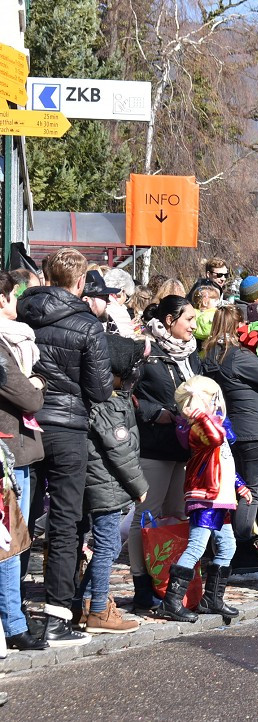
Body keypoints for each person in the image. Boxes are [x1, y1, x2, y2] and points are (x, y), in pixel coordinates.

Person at [17, 248, 113, 646]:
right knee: (66, 523)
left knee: (19, 519)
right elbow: (100, 388)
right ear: (79, 282)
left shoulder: (21, 312)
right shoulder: (86, 324)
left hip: (26, 423)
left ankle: (13, 610)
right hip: (69, 428)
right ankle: (57, 615)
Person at [201, 306, 258, 571]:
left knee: (232, 490)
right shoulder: (237, 355)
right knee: (252, 491)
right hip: (256, 430)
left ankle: (222, 546)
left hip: (231, 429)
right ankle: (240, 549)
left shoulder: (208, 356)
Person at [159, 376, 253, 622]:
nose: (216, 403)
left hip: (219, 495)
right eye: (211, 399)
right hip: (207, 496)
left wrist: (240, 485)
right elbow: (216, 440)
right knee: (197, 546)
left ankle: (212, 599)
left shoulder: (212, 424)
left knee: (228, 546)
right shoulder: (196, 428)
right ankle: (172, 601)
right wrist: (201, 415)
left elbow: (225, 461)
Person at [129, 295, 201, 610]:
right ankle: (142, 585)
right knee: (146, 517)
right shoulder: (145, 351)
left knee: (176, 517)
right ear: (170, 321)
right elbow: (125, 394)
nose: (194, 327)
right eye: (189, 320)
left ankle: (170, 585)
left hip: (186, 447)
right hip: (154, 445)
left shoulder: (192, 354)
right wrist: (154, 412)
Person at [77, 335, 149, 634]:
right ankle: (99, 611)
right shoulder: (105, 403)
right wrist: (140, 486)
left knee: (104, 545)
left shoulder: (111, 398)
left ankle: (83, 604)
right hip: (104, 484)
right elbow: (119, 450)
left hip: (105, 483)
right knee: (105, 546)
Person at [0, 271, 46, 651]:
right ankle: (14, 623)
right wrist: (35, 386)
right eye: (13, 295)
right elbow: (29, 399)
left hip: (17, 450)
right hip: (8, 455)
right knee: (9, 543)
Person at [103, 268, 136, 338]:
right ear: (122, 292)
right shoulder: (119, 311)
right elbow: (129, 339)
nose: (125, 302)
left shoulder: (99, 303)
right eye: (127, 298)